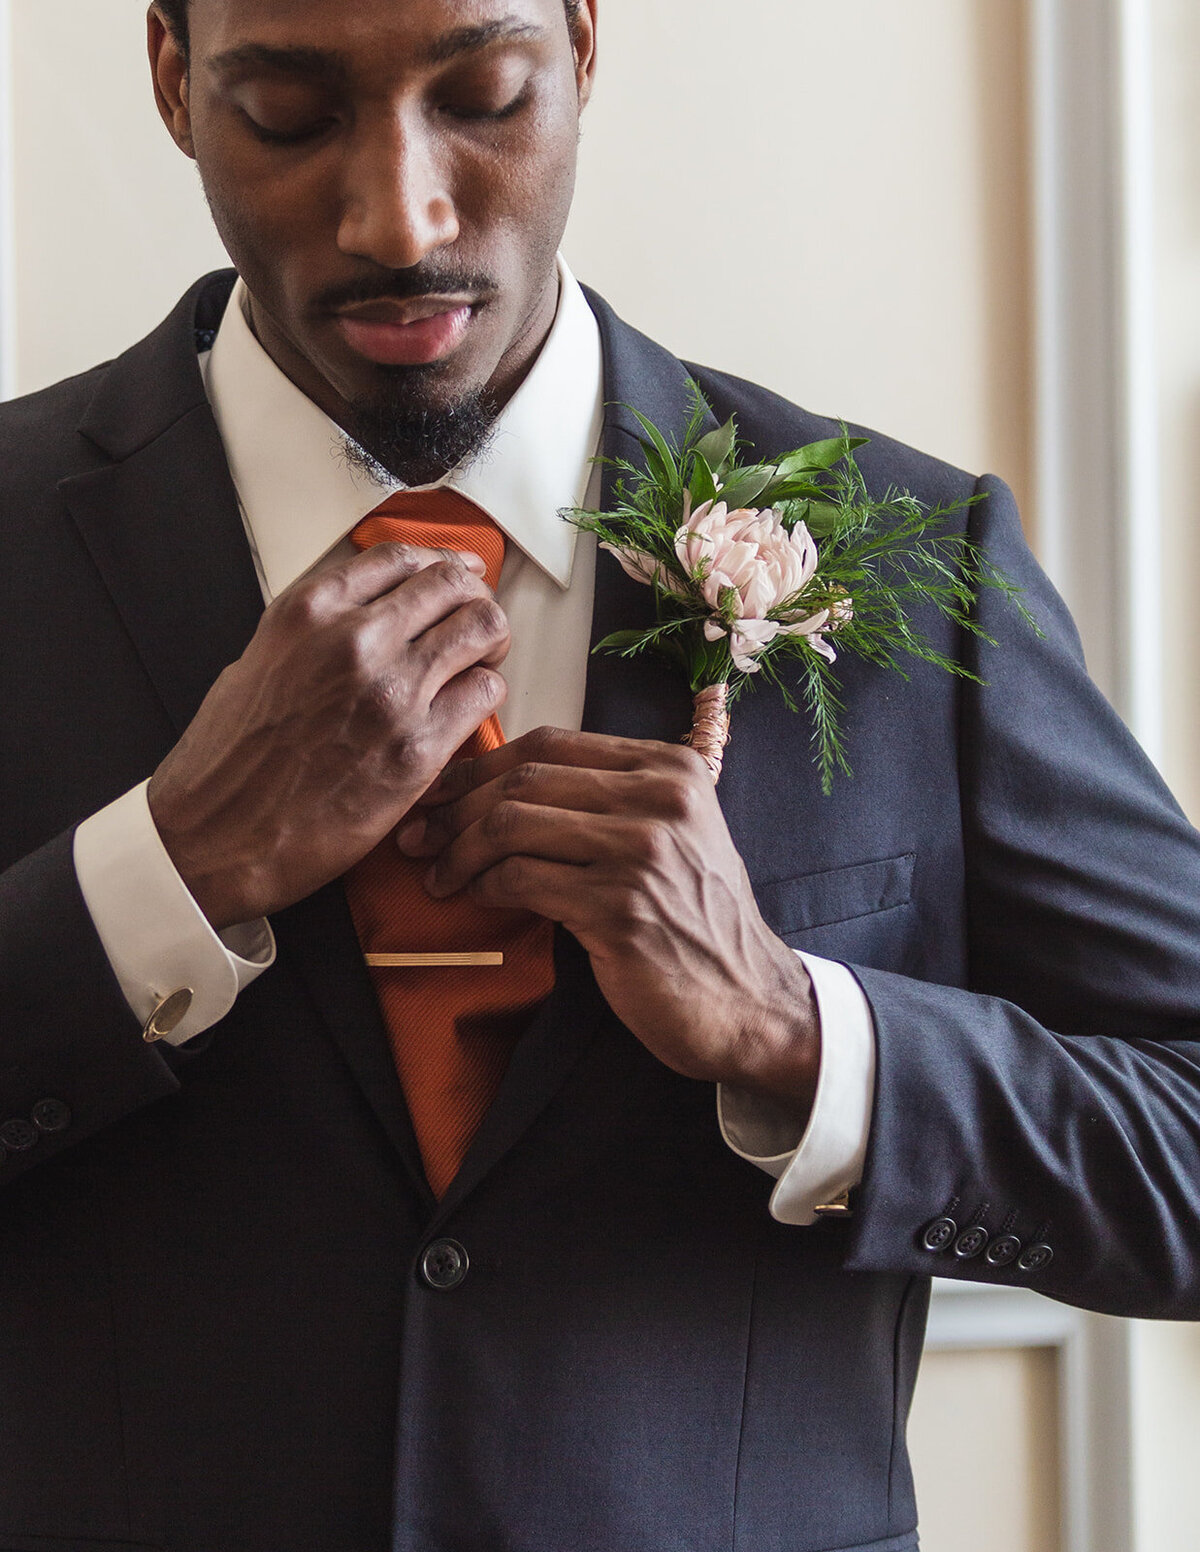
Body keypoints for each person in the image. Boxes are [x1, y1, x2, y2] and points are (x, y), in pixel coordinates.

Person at [1, 0, 1198, 1548]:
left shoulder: (917, 562)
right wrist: (163, 876)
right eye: (290, 115)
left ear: (578, 46)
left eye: (484, 96)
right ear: (172, 77)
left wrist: (795, 1029)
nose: (401, 214)